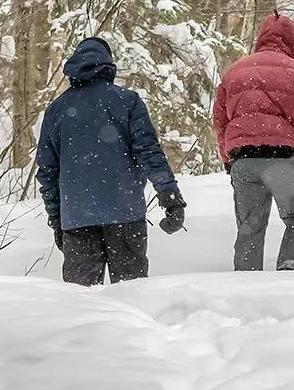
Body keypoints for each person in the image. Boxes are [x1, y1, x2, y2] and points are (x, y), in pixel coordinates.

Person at [36, 37, 186, 285]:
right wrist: (169, 195)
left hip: (77, 218)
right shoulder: (127, 102)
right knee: (131, 295)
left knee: (81, 303)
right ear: (108, 65)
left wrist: (56, 219)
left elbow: (47, 172)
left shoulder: (56, 110)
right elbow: (149, 152)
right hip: (125, 214)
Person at [212, 12, 294, 271]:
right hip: (283, 160)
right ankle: (290, 272)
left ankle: (245, 281)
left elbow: (220, 121)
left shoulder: (234, 72)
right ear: (293, 42)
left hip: (243, 160)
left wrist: (227, 158)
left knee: (249, 227)